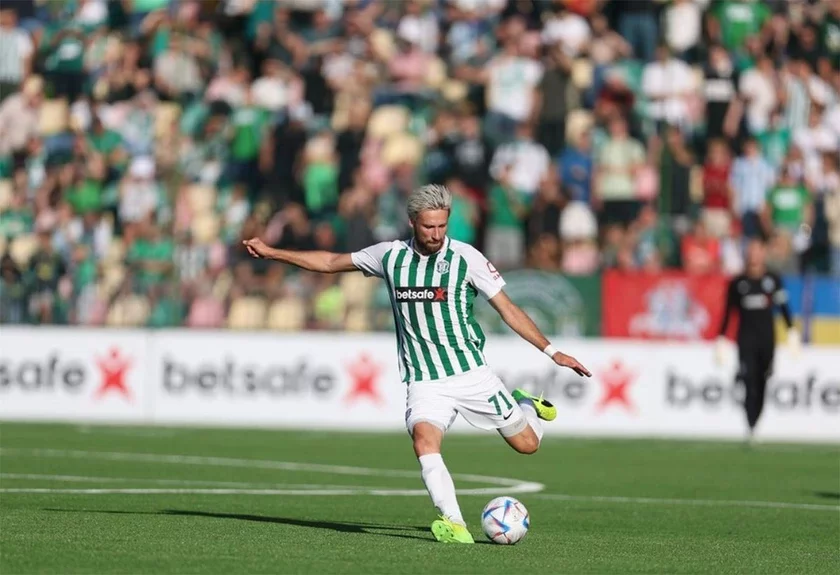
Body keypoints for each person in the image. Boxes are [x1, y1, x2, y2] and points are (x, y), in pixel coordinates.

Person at [243, 184, 591, 543]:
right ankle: (455, 524)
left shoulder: (466, 258)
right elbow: (331, 263)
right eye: (428, 227)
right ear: (412, 222)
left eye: (442, 226)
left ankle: (525, 404)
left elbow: (508, 309)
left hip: (471, 374)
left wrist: (552, 352)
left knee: (528, 444)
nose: (437, 234)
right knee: (424, 441)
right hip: (425, 380)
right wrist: (273, 253)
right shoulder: (389, 256)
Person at [715, 237, 800, 443]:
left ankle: (755, 422)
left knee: (762, 380)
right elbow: (728, 313)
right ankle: (750, 422)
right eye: (751, 250)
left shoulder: (773, 280)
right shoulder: (738, 283)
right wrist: (721, 339)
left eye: (758, 250)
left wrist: (791, 332)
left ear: (764, 253)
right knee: (749, 380)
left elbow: (783, 307)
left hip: (766, 339)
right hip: (746, 339)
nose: (754, 254)